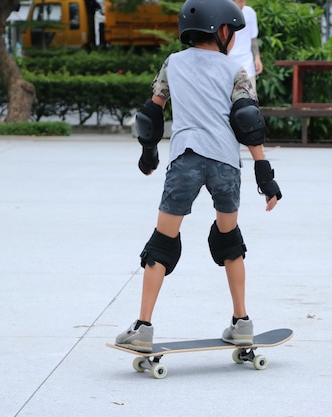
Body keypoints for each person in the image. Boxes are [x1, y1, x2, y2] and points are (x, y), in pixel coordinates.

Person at [115, 0, 282, 353]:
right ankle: (242, 323)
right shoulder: (234, 70)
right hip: (225, 161)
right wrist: (264, 173)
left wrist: (149, 154)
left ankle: (143, 327)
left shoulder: (172, 63)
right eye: (232, 32)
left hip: (186, 159)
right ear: (221, 31)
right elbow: (248, 120)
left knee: (162, 243)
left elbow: (150, 113)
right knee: (229, 241)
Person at [228, 0, 263, 96]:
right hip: (227, 63)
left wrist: (257, 57)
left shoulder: (250, 12)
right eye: (240, 1)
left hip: (246, 63)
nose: (242, 4)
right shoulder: (223, 13)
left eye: (244, 1)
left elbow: (253, 37)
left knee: (249, 99)